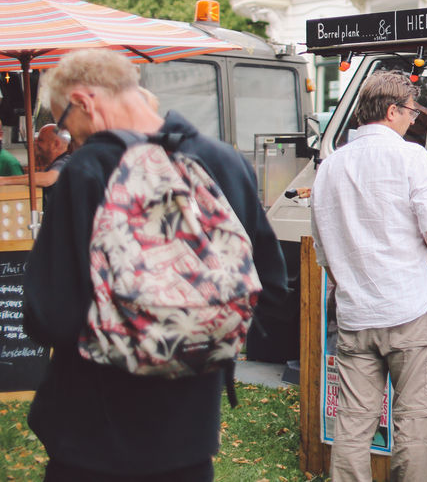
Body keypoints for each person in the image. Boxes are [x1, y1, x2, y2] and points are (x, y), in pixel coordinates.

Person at [23, 49, 289, 482]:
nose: (71, 137)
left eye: (65, 123)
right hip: (190, 434)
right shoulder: (224, 161)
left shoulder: (89, 169)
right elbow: (270, 287)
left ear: (85, 102)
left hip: (95, 433)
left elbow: (51, 314)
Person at [312, 71, 427, 482]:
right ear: (392, 111)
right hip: (409, 308)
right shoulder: (410, 157)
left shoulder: (329, 166)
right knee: (417, 420)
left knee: (352, 427)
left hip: (355, 314)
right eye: (411, 112)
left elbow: (325, 253)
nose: (414, 120)